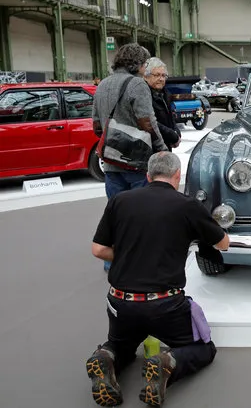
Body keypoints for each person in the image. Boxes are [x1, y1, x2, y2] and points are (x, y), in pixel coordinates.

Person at [86, 151, 230, 407]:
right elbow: (223, 243)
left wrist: (131, 255)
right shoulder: (187, 205)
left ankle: (105, 356)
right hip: (165, 305)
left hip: (121, 302)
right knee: (204, 349)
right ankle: (168, 363)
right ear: (177, 176)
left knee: (122, 346)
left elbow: (98, 249)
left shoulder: (120, 201)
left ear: (148, 175)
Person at [92, 43, 168, 272]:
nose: (146, 68)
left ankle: (112, 260)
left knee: (117, 212)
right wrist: (161, 149)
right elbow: (148, 122)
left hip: (112, 163)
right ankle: (144, 262)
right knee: (144, 213)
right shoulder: (136, 84)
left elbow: (96, 126)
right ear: (137, 64)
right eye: (145, 63)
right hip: (137, 162)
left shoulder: (102, 84)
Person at [144, 57, 181, 151]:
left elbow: (170, 118)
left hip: (166, 146)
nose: (161, 79)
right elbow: (149, 122)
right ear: (146, 76)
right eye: (157, 75)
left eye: (163, 76)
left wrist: (176, 131)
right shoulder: (144, 95)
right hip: (152, 147)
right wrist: (172, 135)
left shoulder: (165, 94)